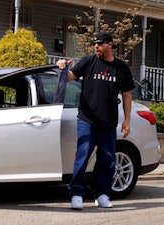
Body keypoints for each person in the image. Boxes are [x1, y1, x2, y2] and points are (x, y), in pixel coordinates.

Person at [56, 31, 134, 210]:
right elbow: (70, 77)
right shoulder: (88, 61)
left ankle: (102, 194)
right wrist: (62, 68)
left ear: (110, 45)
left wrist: (127, 121)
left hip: (108, 122)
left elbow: (127, 95)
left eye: (100, 44)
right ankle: (77, 193)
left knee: (107, 160)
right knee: (82, 157)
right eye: (95, 44)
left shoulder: (121, 68)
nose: (96, 47)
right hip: (87, 120)